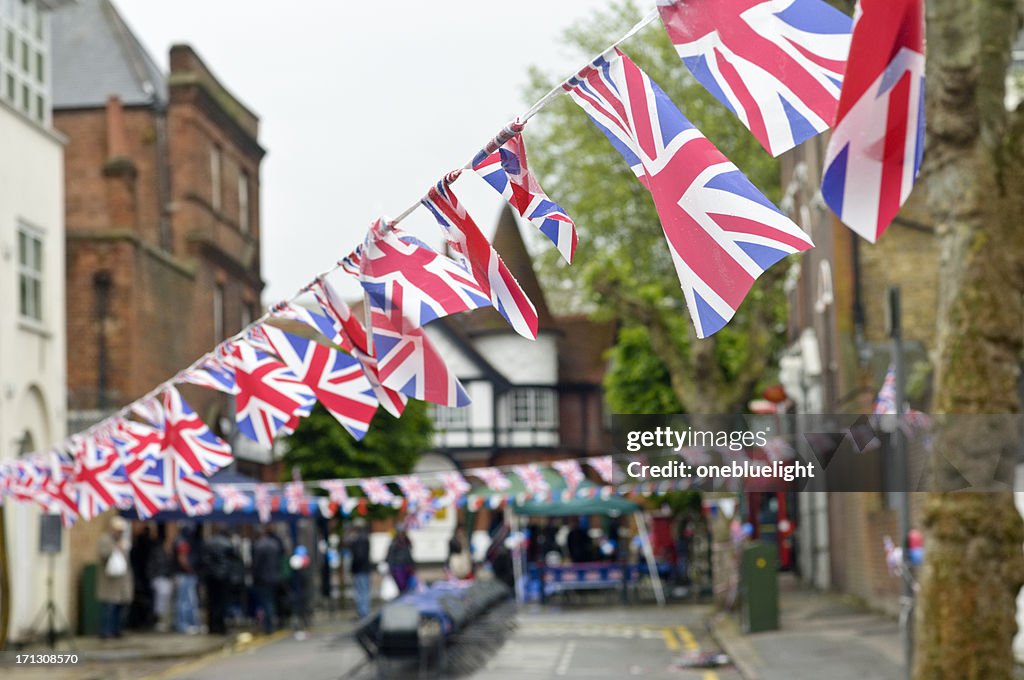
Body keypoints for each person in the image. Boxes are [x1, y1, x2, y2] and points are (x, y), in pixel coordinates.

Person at [97, 516, 133, 639]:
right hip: (110, 582)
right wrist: (115, 547)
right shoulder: (105, 540)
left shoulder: (123, 541)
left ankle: (116, 630)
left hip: (121, 582)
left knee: (119, 608)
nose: (120, 533)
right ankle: (106, 631)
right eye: (118, 530)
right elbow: (103, 554)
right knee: (109, 608)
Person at [201, 526, 238, 635]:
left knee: (211, 602)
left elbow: (204, 560)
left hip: (211, 577)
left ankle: (211, 627)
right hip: (224, 577)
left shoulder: (208, 543)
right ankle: (221, 627)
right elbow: (234, 560)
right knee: (222, 603)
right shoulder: (228, 543)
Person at [252, 527, 284, 634]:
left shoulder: (258, 546)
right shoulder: (274, 544)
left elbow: (256, 565)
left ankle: (269, 626)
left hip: (263, 578)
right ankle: (276, 622)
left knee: (267, 602)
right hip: (275, 576)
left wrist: (254, 577)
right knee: (272, 601)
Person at [172, 525, 200, 634]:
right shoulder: (182, 542)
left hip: (183, 575)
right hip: (184, 575)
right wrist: (191, 569)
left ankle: (186, 624)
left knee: (186, 601)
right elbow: (182, 559)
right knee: (185, 601)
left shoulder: (181, 540)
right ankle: (183, 625)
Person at [148, 529, 174, 633]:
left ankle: (164, 621)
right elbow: (152, 565)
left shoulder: (170, 552)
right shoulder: (158, 552)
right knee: (161, 600)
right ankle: (160, 620)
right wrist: (152, 577)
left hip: (166, 578)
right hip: (160, 578)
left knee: (167, 601)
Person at [347, 519, 372, 618]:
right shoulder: (364, 539)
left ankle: (363, 613)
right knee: (363, 591)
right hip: (363, 569)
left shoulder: (359, 540)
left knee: (362, 591)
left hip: (360, 569)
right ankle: (363, 612)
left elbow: (359, 556)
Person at [289, 545, 312, 639]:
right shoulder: (302, 563)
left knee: (301, 606)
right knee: (301, 606)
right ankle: (303, 623)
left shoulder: (302, 564)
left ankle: (303, 623)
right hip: (301, 591)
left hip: (301, 590)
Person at [386, 526, 416, 594]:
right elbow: (390, 557)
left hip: (407, 567)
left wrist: (413, 566)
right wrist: (391, 569)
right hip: (398, 567)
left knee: (408, 586)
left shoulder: (407, 542)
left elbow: (409, 555)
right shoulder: (394, 543)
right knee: (401, 586)